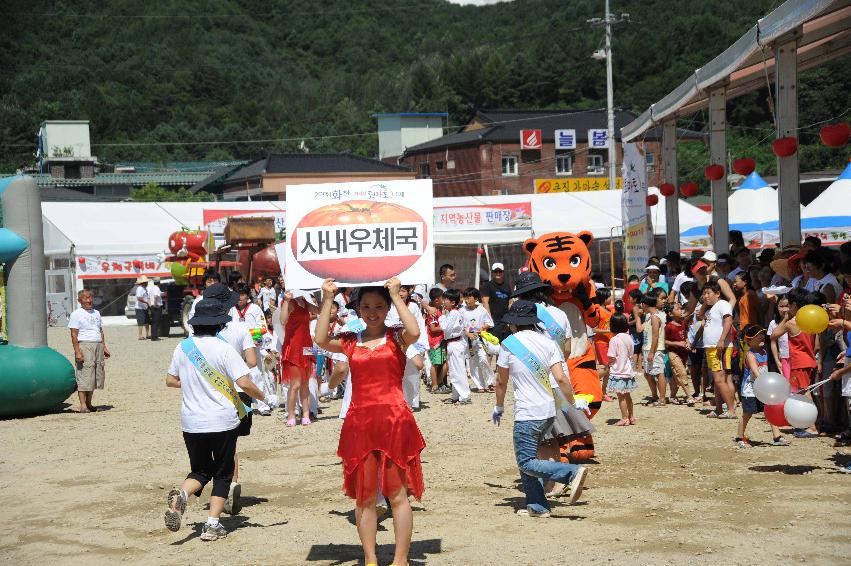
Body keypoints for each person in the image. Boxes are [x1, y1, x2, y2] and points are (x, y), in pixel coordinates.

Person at [314, 277, 425, 566]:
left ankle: (400, 560)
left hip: (394, 421)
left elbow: (414, 331)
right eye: (365, 306)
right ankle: (371, 558)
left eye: (378, 306)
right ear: (358, 309)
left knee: (397, 494)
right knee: (364, 497)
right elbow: (321, 339)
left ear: (388, 308)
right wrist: (327, 299)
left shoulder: (397, 338)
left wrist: (397, 295)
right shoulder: (350, 341)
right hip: (360, 424)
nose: (372, 312)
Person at [163, 298, 277, 540]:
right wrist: (265, 398)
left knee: (200, 470)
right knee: (223, 473)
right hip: (222, 421)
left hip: (191, 422)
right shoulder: (224, 349)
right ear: (219, 325)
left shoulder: (182, 347)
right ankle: (212, 525)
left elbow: (171, 380)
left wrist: (195, 383)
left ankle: (182, 496)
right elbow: (244, 382)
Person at [492, 300, 589, 517]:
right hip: (548, 411)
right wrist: (572, 404)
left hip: (527, 413)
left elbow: (501, 381)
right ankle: (537, 506)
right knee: (529, 457)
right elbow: (561, 378)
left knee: (526, 461)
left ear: (514, 323)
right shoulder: (548, 343)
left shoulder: (509, 344)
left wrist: (499, 406)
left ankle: (571, 473)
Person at [201, 283, 260, 513]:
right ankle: (231, 483)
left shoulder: (199, 332)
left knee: (213, 442)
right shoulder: (241, 328)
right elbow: (253, 362)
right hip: (238, 389)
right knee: (230, 441)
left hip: (210, 390)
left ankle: (218, 485)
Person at [771, 289, 820, 437]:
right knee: (808, 392)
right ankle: (812, 424)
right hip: (810, 359)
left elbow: (774, 334)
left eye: (789, 305)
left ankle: (812, 427)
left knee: (804, 393)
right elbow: (817, 345)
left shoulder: (792, 323)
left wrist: (785, 318)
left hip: (799, 362)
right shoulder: (810, 320)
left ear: (794, 305)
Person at [735, 325, 790, 448]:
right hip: (750, 390)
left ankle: (777, 436)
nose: (761, 337)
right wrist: (766, 384)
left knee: (770, 410)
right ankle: (739, 437)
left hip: (763, 388)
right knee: (747, 414)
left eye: (762, 335)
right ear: (748, 340)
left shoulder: (764, 352)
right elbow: (755, 372)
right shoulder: (750, 354)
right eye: (757, 336)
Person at [279, 290, 319, 426]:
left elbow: (320, 310)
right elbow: (282, 320)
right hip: (293, 346)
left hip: (307, 345)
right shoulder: (290, 302)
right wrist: (286, 300)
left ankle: (306, 414)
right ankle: (291, 415)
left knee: (306, 383)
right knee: (295, 384)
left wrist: (321, 295)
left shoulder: (306, 302)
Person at [68, 289, 110, 413]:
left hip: (97, 345)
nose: (89, 300)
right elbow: (74, 335)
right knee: (84, 375)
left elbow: (100, 330)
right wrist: (77, 352)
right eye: (86, 298)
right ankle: (82, 405)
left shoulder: (96, 313)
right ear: (79, 301)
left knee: (95, 375)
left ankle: (89, 403)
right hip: (85, 345)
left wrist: (104, 347)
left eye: (90, 297)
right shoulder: (76, 314)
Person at [702, 281, 737, 419]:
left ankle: (730, 410)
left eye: (708, 293)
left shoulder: (723, 304)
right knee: (717, 380)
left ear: (717, 293)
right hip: (711, 348)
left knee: (719, 379)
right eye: (704, 293)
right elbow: (699, 314)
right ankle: (719, 409)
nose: (705, 296)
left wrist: (722, 340)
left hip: (720, 347)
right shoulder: (711, 308)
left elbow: (729, 320)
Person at [437, 289, 469, 404]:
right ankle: (456, 396)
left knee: (458, 370)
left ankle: (465, 396)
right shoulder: (452, 313)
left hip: (455, 343)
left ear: (453, 302)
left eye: (446, 299)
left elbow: (445, 328)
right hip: (452, 343)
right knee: (454, 370)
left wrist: (441, 316)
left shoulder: (454, 313)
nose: (444, 301)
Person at [461, 287, 495, 393]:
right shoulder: (462, 311)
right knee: (472, 363)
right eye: (465, 298)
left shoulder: (481, 310)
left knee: (483, 359)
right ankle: (480, 385)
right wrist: (467, 333)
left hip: (480, 339)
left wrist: (483, 327)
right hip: (467, 341)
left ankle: (490, 382)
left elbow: (490, 323)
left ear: (475, 298)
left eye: (469, 298)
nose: (467, 300)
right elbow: (459, 325)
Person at [636, 293, 667, 406]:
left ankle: (662, 399)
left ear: (645, 304)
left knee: (659, 373)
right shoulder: (650, 316)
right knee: (648, 374)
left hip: (655, 349)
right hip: (648, 349)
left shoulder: (655, 317)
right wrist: (638, 316)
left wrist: (652, 352)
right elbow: (639, 329)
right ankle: (655, 396)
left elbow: (655, 336)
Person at [607, 310, 636, 425]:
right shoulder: (629, 338)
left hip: (618, 371)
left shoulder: (614, 339)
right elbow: (631, 354)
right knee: (628, 395)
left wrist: (609, 363)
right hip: (628, 371)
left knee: (621, 397)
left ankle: (624, 418)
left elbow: (611, 356)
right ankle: (631, 416)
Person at [665, 302, 695, 405]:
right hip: (673, 353)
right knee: (682, 373)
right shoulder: (669, 326)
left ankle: (672, 396)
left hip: (684, 354)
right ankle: (689, 396)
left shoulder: (682, 323)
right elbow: (664, 341)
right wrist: (677, 343)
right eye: (678, 309)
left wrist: (687, 343)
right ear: (671, 314)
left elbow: (685, 335)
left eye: (681, 308)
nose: (681, 311)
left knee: (675, 376)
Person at [425, 288, 449, 394]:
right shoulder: (433, 312)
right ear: (436, 300)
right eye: (442, 298)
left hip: (441, 341)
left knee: (444, 362)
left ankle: (439, 382)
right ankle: (435, 385)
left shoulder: (439, 311)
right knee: (435, 364)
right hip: (435, 342)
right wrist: (445, 326)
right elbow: (433, 328)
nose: (444, 300)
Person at [481, 262, 511, 340]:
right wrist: (489, 320)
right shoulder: (487, 285)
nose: (498, 273)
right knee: (494, 344)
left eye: (500, 271)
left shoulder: (507, 285)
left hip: (505, 320)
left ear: (503, 272)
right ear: (492, 272)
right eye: (495, 271)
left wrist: (510, 318)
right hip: (494, 321)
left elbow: (510, 302)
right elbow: (485, 302)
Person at [187, 270, 223, 334]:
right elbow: (192, 322)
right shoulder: (198, 301)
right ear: (204, 284)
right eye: (209, 282)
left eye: (215, 281)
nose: (213, 284)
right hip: (203, 337)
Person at [768, 295, 791, 379]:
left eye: (787, 306)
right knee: (787, 382)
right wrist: (777, 361)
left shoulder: (795, 321)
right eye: (781, 306)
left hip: (796, 357)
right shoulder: (773, 323)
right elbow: (773, 342)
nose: (784, 309)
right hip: (784, 357)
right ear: (776, 307)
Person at [134, 276, 150, 340]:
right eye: (146, 282)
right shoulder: (140, 288)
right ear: (144, 282)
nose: (147, 283)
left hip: (144, 307)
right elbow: (139, 298)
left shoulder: (144, 288)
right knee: (141, 322)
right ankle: (140, 335)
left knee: (147, 321)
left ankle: (147, 334)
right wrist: (146, 302)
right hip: (139, 308)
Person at [149, 277, 164, 341]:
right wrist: (155, 304)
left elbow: (150, 297)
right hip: (156, 306)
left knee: (154, 322)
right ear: (159, 282)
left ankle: (153, 336)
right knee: (156, 322)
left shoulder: (152, 288)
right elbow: (155, 296)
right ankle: (155, 336)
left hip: (152, 306)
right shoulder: (157, 288)